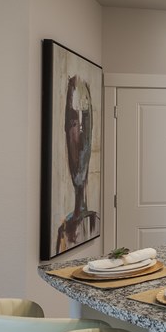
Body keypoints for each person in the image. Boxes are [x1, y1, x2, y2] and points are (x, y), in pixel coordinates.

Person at [56, 74, 99, 252]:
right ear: (66, 129)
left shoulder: (94, 221)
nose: (81, 132)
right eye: (74, 121)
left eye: (85, 120)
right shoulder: (65, 230)